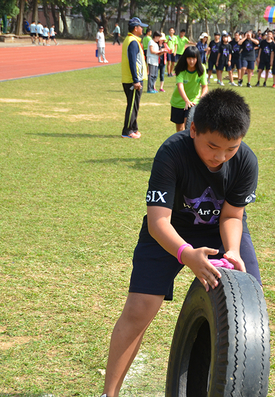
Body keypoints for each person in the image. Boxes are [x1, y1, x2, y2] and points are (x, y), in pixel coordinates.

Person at [100, 88, 261, 397]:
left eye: (230, 148)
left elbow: (231, 217)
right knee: (138, 310)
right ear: (193, 129)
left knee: (248, 307)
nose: (220, 156)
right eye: (212, 146)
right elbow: (157, 221)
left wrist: (231, 251)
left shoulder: (245, 162)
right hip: (170, 230)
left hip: (219, 229)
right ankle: (109, 394)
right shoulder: (171, 153)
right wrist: (185, 253)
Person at [120, 17, 148, 139]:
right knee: (132, 105)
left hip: (134, 79)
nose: (142, 29)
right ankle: (127, 131)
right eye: (141, 27)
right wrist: (136, 80)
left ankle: (134, 128)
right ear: (135, 28)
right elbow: (132, 62)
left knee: (135, 105)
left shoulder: (132, 40)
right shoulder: (132, 41)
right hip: (132, 80)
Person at [170, 46, 208, 132]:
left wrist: (202, 96)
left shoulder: (201, 69)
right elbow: (180, 86)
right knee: (180, 129)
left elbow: (205, 86)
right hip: (178, 102)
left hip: (193, 102)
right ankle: (182, 145)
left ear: (197, 58)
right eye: (189, 58)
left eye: (194, 59)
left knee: (189, 126)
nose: (191, 61)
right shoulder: (181, 69)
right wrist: (186, 100)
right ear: (185, 58)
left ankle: (190, 144)